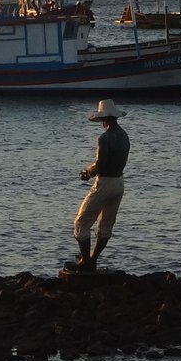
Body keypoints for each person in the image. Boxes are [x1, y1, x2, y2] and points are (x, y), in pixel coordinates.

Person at [72, 99, 130, 272]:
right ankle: (93, 259)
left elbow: (101, 164)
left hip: (104, 183)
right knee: (105, 226)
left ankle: (85, 261)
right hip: (119, 183)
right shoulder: (124, 136)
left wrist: (87, 172)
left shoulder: (104, 138)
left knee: (81, 223)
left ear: (103, 119)